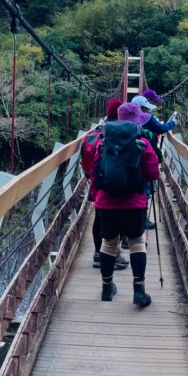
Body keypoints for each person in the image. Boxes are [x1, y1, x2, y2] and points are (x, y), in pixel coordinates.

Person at [90, 102, 160, 306]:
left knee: (109, 243)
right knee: (137, 242)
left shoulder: (102, 141)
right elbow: (153, 172)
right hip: (134, 203)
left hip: (106, 203)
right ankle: (139, 291)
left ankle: (106, 288)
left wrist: (96, 195)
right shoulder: (141, 142)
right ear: (137, 119)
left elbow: (95, 171)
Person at [80, 98, 129, 270]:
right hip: (117, 185)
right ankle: (113, 255)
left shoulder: (94, 134)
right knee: (119, 218)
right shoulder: (124, 132)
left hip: (96, 183)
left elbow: (85, 164)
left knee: (99, 218)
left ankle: (98, 253)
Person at [131, 94, 176, 230]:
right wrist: (173, 123)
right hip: (145, 158)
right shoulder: (147, 118)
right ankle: (142, 221)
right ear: (140, 108)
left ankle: (130, 220)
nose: (148, 110)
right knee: (146, 190)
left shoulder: (125, 119)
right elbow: (161, 129)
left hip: (128, 160)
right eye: (145, 108)